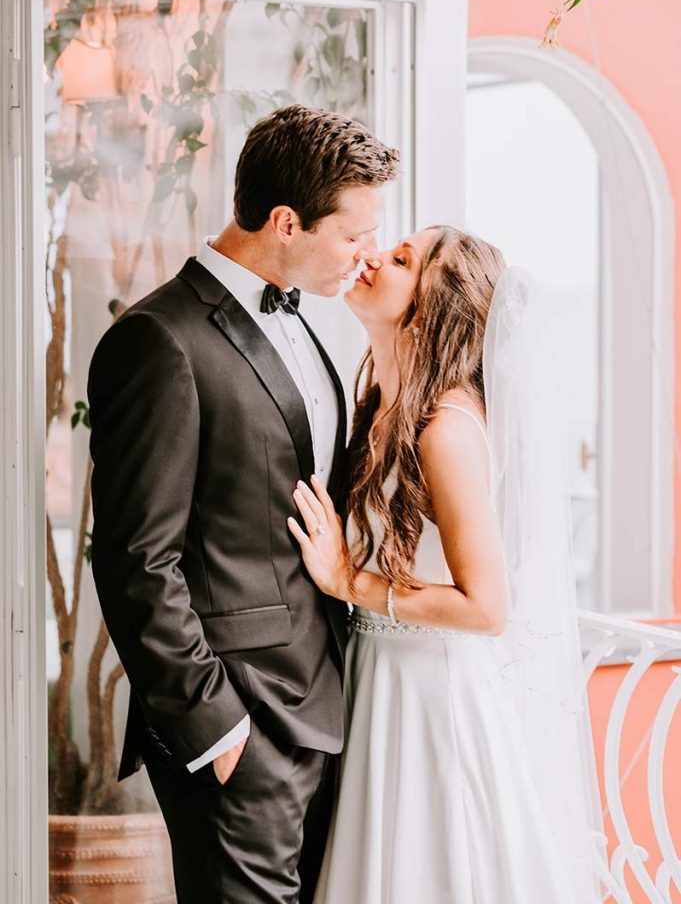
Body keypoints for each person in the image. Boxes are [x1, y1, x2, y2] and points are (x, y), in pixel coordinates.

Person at [87, 103, 400, 904]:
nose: (365, 255)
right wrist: (214, 724)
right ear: (287, 221)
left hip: (328, 701)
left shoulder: (321, 328)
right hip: (241, 717)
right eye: (353, 233)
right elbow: (134, 558)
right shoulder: (160, 339)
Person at [288, 225, 607, 903]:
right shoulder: (380, 409)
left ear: (432, 308)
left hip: (432, 702)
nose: (373, 256)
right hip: (381, 686)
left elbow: (487, 609)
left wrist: (347, 581)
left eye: (402, 259)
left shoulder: (446, 428)